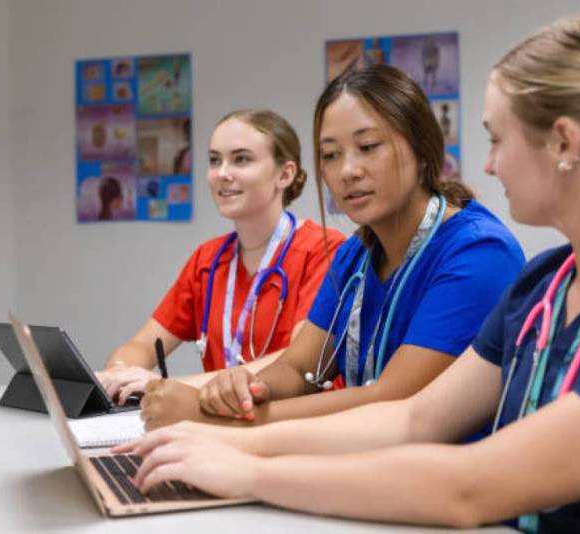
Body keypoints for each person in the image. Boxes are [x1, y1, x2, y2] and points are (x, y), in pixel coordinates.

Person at [119, 15, 580, 531]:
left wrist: (247, 467)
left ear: (565, 144)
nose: (486, 167)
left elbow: (472, 486)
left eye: (496, 138)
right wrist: (228, 446)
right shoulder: (543, 285)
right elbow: (415, 421)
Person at [136, 64, 525, 430]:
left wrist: (217, 420)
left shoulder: (478, 254)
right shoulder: (354, 257)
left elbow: (391, 400)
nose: (347, 171)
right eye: (330, 155)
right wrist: (243, 390)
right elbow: (298, 369)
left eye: (368, 147)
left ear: (422, 149)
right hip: (367, 471)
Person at [97, 110, 346, 405]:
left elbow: (298, 361)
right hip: (226, 423)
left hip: (301, 428)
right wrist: (120, 373)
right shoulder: (209, 260)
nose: (222, 173)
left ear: (285, 174)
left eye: (241, 159)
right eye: (215, 160)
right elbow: (141, 344)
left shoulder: (324, 251)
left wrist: (168, 386)